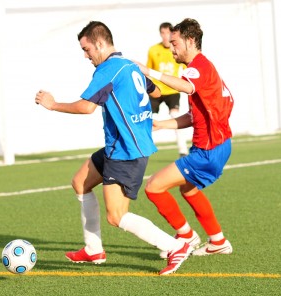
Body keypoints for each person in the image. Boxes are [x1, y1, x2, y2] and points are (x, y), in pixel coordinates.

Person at [35, 21, 193, 275]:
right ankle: (93, 249)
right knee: (80, 183)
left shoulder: (107, 69)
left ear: (99, 43)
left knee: (116, 216)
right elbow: (154, 93)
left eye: (87, 49)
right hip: (119, 145)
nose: (86, 56)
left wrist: (53, 105)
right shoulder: (130, 65)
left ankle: (175, 246)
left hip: (126, 151)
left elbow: (87, 107)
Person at [136, 18, 234, 258]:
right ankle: (218, 240)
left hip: (208, 150)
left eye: (175, 42)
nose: (171, 48)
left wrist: (149, 72)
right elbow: (192, 116)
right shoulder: (201, 69)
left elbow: (186, 88)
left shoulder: (196, 67)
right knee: (188, 190)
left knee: (153, 187)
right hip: (219, 145)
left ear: (190, 41)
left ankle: (186, 237)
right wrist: (161, 124)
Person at [147, 22, 188, 157]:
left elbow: (187, 67)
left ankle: (183, 150)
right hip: (157, 90)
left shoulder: (176, 49)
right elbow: (148, 71)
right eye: (163, 33)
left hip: (172, 91)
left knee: (176, 116)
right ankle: (143, 149)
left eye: (168, 33)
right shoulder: (153, 50)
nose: (165, 36)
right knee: (148, 119)